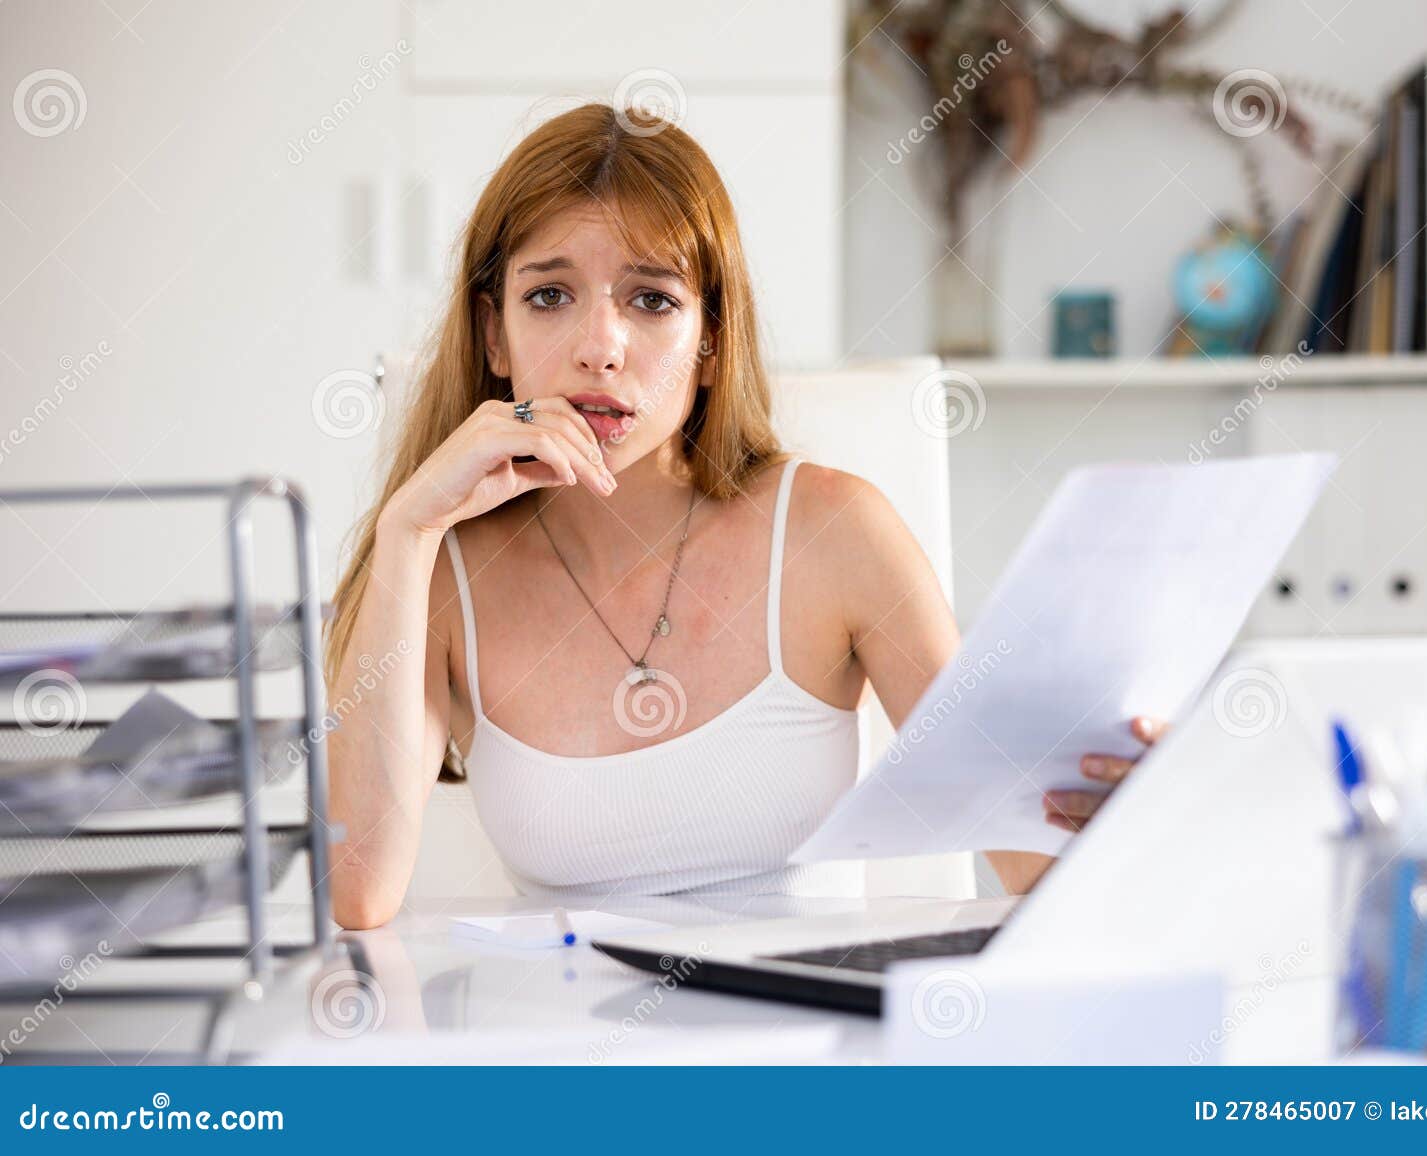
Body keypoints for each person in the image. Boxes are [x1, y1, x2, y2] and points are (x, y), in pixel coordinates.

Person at [323, 102, 1162, 930]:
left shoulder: (838, 533)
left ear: (712, 338)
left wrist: (1141, 805)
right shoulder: (437, 569)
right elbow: (361, 893)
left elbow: (1033, 868)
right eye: (549, 295)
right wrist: (406, 532)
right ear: (494, 337)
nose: (600, 346)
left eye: (651, 300)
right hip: (561, 1051)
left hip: (810, 1049)